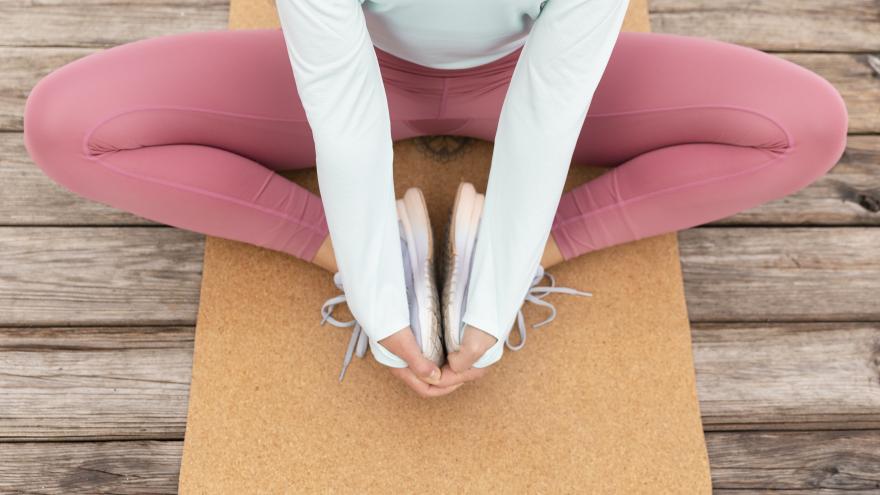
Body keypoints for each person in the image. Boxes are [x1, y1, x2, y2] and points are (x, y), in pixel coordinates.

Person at [22, 0, 848, 398]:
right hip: (360, 71)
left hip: (523, 77)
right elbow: (343, 107)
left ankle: (542, 241)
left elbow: (548, 107)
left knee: (806, 124)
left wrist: (503, 282)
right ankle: (338, 241)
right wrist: (374, 289)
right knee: (67, 123)